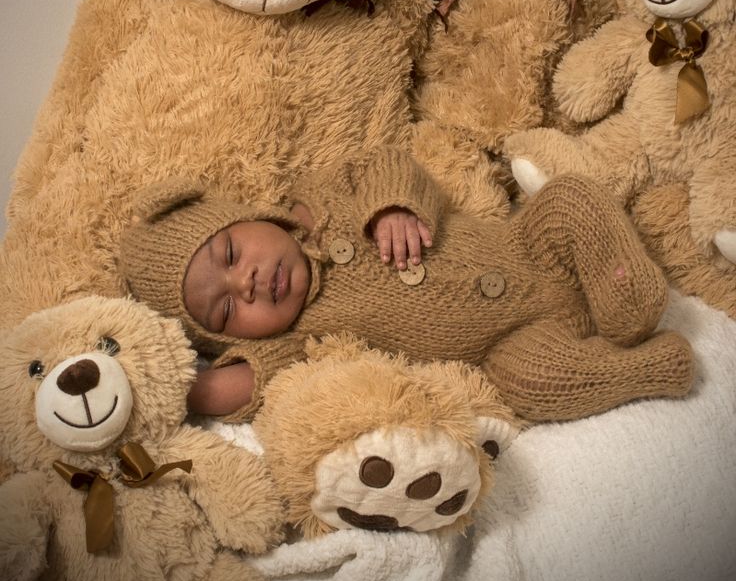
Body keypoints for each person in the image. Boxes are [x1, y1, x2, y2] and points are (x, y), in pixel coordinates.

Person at [118, 148, 694, 422]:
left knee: (569, 199)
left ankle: (629, 306)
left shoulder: (319, 198)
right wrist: (182, 387)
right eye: (222, 313)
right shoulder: (296, 339)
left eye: (229, 252)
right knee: (530, 384)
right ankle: (648, 368)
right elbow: (251, 383)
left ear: (251, 215)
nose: (244, 284)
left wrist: (392, 207)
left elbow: (382, 163)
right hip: (514, 341)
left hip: (528, 245)